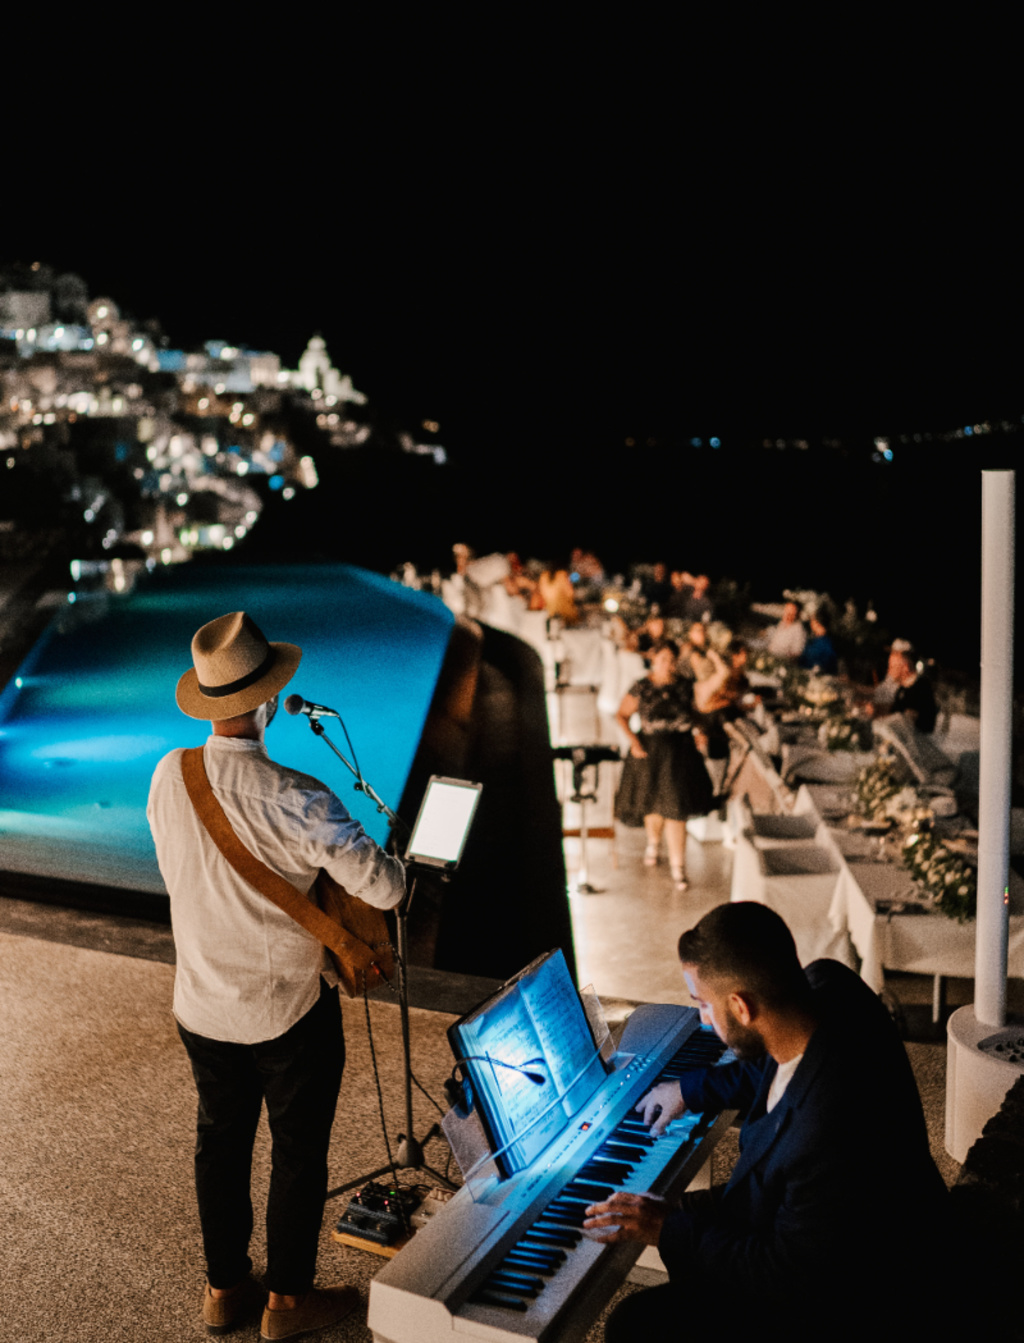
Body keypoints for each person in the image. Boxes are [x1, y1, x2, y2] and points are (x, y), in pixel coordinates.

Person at [147, 611, 406, 1340]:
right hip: (288, 1012)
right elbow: (384, 889)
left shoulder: (169, 775)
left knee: (219, 1143)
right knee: (297, 1150)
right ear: (267, 703)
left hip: (200, 1004)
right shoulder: (300, 795)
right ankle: (287, 1303)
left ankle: (224, 1288)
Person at [583, 903, 948, 1340]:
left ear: (740, 1006)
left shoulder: (824, 1130)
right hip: (838, 1218)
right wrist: (686, 1090)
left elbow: (787, 1274)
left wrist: (667, 1228)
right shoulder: (827, 986)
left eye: (702, 1004)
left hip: (855, 1292)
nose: (702, 1017)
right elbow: (768, 1062)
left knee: (634, 1323)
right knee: (690, 1214)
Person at [613, 640, 715, 889]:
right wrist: (634, 742)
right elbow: (621, 714)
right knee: (653, 805)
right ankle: (653, 842)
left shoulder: (685, 686)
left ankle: (678, 867)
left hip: (680, 752)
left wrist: (700, 730)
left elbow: (696, 715)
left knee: (676, 810)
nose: (667, 664)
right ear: (653, 658)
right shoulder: (642, 687)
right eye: (663, 659)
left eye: (671, 659)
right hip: (651, 751)